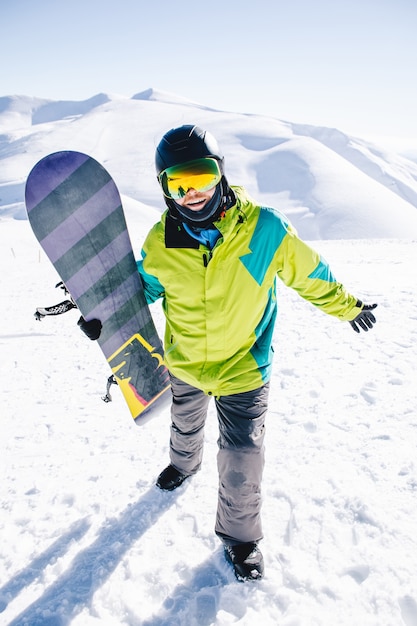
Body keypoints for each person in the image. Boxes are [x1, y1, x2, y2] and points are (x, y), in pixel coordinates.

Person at [79, 125, 377, 582]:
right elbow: (143, 291)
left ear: (220, 174)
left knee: (242, 459)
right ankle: (183, 464)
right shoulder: (161, 243)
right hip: (186, 365)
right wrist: (103, 313)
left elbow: (310, 275)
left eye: (201, 176)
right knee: (185, 424)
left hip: (244, 368)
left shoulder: (265, 229)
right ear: (164, 188)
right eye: (179, 182)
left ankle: (241, 540)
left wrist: (347, 305)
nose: (193, 192)